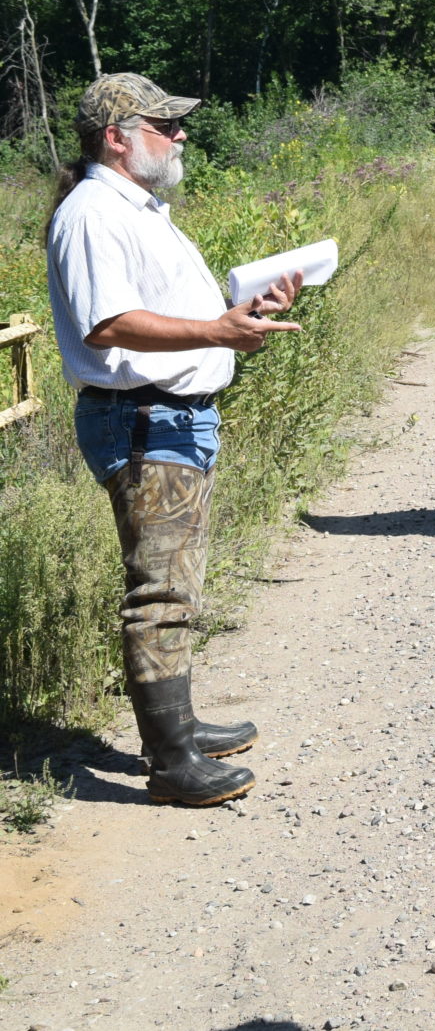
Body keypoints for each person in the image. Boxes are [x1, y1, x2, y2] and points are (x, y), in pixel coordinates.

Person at [45, 73, 304, 807]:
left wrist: (235, 313)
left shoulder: (137, 208)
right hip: (144, 418)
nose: (180, 133)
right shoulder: (96, 211)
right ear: (116, 137)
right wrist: (218, 330)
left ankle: (179, 728)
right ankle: (171, 763)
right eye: (164, 124)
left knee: (177, 583)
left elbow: (155, 311)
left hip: (169, 415)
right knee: (159, 592)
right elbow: (108, 323)